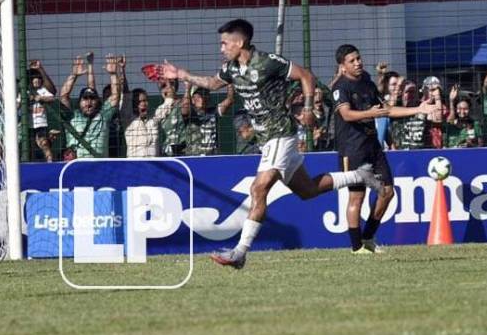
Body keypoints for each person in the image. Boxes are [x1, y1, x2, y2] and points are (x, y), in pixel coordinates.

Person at [158, 19, 369, 270]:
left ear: (240, 42)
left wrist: (310, 108)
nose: (221, 48)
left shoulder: (267, 61)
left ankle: (240, 252)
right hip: (266, 139)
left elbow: (306, 76)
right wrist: (182, 74)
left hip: (280, 133)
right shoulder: (232, 69)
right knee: (308, 190)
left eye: (225, 43)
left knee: (258, 189)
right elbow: (213, 83)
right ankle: (361, 174)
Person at [332, 45, 438, 254]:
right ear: (342, 67)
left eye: (358, 58)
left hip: (373, 147)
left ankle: (368, 237)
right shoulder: (340, 87)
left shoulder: (368, 83)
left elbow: (386, 110)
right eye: (352, 61)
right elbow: (346, 114)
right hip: (352, 149)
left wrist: (419, 109)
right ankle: (356, 247)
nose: (358, 63)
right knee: (357, 198)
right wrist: (369, 113)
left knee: (387, 192)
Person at [59, 54, 121, 158]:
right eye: (85, 99)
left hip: (99, 167)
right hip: (76, 166)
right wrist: (74, 75)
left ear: (97, 101)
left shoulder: (103, 115)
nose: (89, 102)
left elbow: (115, 96)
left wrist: (113, 74)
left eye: (92, 99)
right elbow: (63, 96)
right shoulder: (73, 116)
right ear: (79, 102)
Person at [182, 86, 234, 156]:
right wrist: (187, 89)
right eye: (199, 96)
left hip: (212, 157)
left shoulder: (213, 111)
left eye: (205, 94)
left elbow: (230, 100)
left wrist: (229, 83)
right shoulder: (190, 114)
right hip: (194, 157)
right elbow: (185, 108)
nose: (203, 98)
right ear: (193, 99)